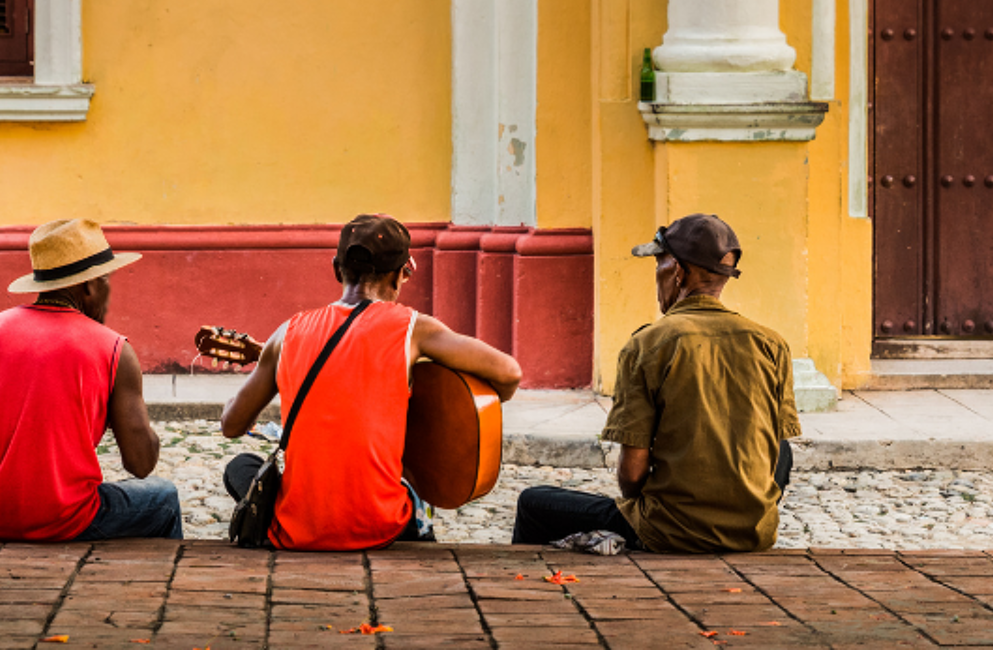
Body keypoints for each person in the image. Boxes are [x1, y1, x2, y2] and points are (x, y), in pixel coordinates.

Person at [220, 213, 522, 550]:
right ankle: (420, 534)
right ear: (404, 273)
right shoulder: (414, 329)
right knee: (411, 480)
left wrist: (270, 365)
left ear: (337, 268)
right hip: (380, 527)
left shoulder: (287, 332)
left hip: (296, 533)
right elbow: (509, 373)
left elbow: (231, 425)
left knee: (241, 466)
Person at [511, 213, 800, 553]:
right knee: (781, 449)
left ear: (677, 273)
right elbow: (778, 450)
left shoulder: (648, 344)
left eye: (659, 264)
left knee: (535, 502)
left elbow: (631, 476)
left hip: (669, 530)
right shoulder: (771, 343)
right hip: (753, 532)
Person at [0, 218, 182, 542]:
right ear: (90, 285)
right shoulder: (114, 351)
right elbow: (140, 464)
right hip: (61, 520)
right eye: (106, 280)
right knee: (163, 496)